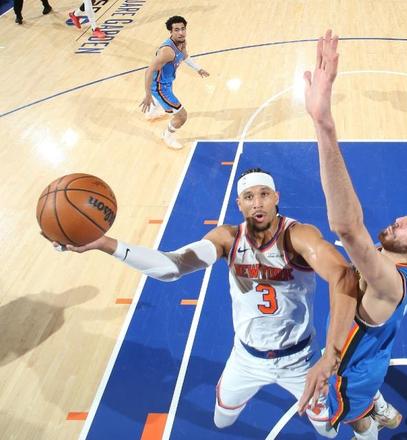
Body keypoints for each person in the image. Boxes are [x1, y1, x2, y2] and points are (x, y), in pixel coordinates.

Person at [53, 168, 354, 437]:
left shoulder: (297, 236)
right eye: (249, 196)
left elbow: (343, 277)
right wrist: (105, 244)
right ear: (239, 204)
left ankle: (368, 408)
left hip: (301, 358)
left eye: (264, 194)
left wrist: (332, 355)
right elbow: (172, 266)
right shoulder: (227, 238)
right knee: (222, 419)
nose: (257, 203)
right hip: (247, 358)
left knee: (327, 429)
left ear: (276, 197)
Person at [297, 30, 407, 439]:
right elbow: (352, 266)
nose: (399, 220)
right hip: (372, 357)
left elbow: (347, 227)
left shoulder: (388, 282)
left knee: (347, 423)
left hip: (351, 381)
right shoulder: (394, 261)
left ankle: (368, 420)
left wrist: (324, 124)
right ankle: (380, 405)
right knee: (369, 356)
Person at [139, 16, 210, 150]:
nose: (181, 33)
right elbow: (149, 71)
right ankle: (168, 136)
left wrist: (198, 69)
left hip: (166, 81)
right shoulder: (167, 52)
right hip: (160, 87)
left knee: (162, 101)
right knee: (182, 116)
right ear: (171, 32)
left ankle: (151, 112)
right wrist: (148, 94)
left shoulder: (182, 42)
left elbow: (185, 56)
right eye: (177, 30)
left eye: (183, 29)